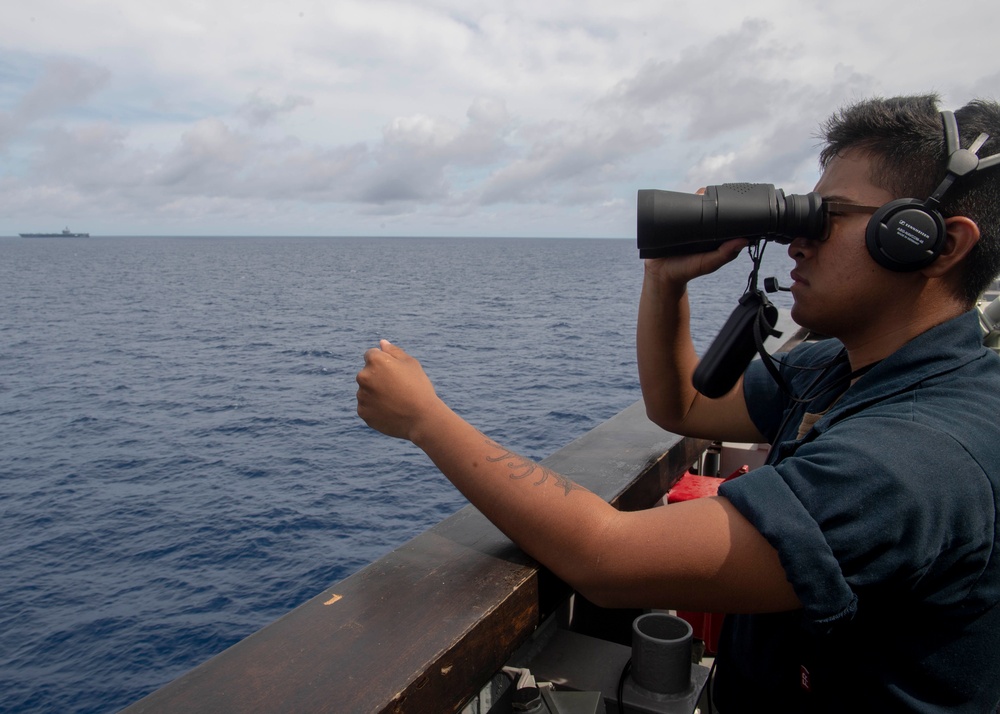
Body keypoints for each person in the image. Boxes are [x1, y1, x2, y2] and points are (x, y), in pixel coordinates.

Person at [356, 94, 1000, 712]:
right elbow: (685, 406)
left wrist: (424, 419)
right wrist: (665, 281)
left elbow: (606, 558)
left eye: (827, 218)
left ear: (935, 244)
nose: (796, 241)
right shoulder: (848, 370)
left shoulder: (918, 457)